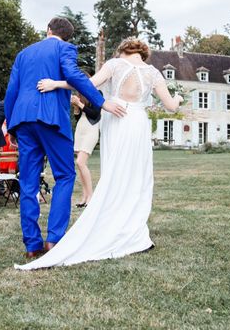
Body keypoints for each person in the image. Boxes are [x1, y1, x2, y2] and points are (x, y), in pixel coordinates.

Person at [15, 37, 183, 270]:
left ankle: (111, 220)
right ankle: (131, 227)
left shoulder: (115, 64)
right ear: (142, 53)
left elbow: (87, 84)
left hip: (117, 119)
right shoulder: (153, 72)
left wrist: (56, 84)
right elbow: (171, 106)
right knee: (137, 175)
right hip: (138, 122)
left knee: (114, 172)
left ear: (123, 50)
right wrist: (179, 98)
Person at [5, 17, 125, 258]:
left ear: (48, 30)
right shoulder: (65, 48)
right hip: (51, 120)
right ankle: (54, 240)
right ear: (67, 36)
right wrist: (101, 102)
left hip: (24, 121)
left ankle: (32, 245)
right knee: (65, 174)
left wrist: (12, 126)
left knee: (28, 183)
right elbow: (73, 75)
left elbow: (11, 91)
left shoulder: (24, 54)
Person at [71, 90, 102, 208]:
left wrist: (79, 104)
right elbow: (79, 117)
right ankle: (85, 196)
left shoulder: (97, 93)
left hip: (91, 129)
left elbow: (94, 114)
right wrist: (76, 107)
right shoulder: (81, 95)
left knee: (80, 162)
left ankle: (91, 196)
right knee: (80, 165)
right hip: (81, 129)